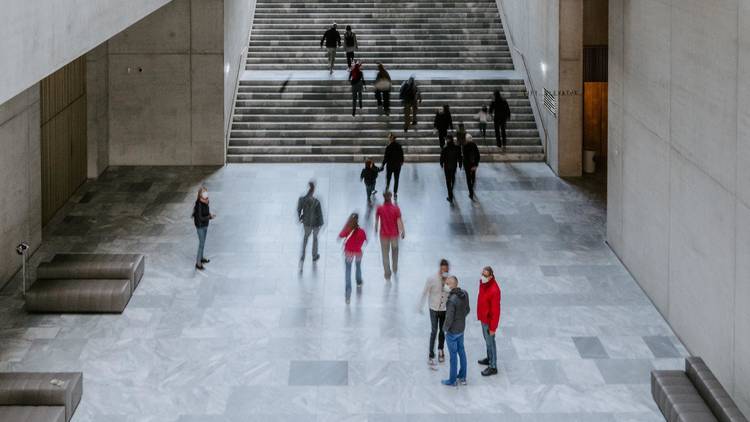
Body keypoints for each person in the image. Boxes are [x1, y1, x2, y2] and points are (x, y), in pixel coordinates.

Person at [420, 259, 451, 368]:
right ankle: (431, 354)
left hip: (444, 309)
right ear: (440, 268)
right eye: (443, 270)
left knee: (442, 331)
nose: (444, 272)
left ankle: (440, 350)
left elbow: (451, 294)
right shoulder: (432, 279)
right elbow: (425, 291)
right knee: (434, 330)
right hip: (433, 308)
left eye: (446, 270)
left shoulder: (450, 280)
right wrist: (420, 305)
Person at [442, 276, 470, 386]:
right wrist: (461, 319)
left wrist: (444, 330)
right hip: (461, 329)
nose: (445, 285)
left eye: (447, 283)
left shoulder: (451, 301)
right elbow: (467, 310)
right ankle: (463, 377)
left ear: (453, 285)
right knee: (462, 352)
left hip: (452, 332)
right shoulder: (465, 293)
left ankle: (452, 380)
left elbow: (449, 319)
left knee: (453, 356)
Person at [477, 266, 501, 376]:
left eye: (485, 275)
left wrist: (493, 328)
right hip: (483, 318)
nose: (483, 276)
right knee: (487, 341)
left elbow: (496, 311)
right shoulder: (483, 283)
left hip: (489, 321)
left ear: (491, 276)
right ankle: (489, 358)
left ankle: (493, 366)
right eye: (482, 274)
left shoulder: (495, 290)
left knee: (491, 342)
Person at [338, 213, 367, 304]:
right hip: (358, 252)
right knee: (358, 267)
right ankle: (358, 281)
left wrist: (347, 225)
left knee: (348, 271)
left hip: (348, 253)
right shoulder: (362, 231)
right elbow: (365, 239)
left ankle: (348, 292)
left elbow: (340, 235)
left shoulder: (348, 229)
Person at [375, 191, 404, 280]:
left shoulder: (380, 208)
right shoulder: (396, 209)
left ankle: (387, 273)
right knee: (395, 251)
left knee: (385, 254)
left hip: (383, 235)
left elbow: (376, 221)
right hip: (394, 235)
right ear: (391, 197)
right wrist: (402, 231)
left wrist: (375, 229)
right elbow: (399, 221)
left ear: (383, 197)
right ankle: (395, 268)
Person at [297, 181, 324, 265]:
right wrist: (321, 223)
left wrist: (300, 217)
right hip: (315, 224)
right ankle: (314, 256)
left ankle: (303, 256)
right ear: (313, 191)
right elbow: (320, 214)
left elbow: (298, 209)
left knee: (305, 238)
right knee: (315, 239)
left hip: (306, 223)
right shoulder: (316, 202)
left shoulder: (302, 200)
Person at [192, 186, 215, 270]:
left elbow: (206, 213)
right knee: (201, 244)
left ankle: (201, 258)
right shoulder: (198, 204)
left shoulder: (206, 201)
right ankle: (198, 263)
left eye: (206, 191)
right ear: (200, 194)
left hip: (205, 225)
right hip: (200, 226)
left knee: (203, 242)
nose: (206, 193)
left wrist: (209, 215)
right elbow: (200, 217)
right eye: (204, 192)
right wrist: (209, 217)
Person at [440, 134, 462, 204]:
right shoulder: (457, 147)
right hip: (453, 166)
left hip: (447, 166)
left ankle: (450, 196)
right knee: (452, 178)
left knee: (448, 181)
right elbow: (460, 156)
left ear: (448, 140)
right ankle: (451, 190)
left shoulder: (445, 147)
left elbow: (442, 157)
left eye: (446, 139)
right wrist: (460, 164)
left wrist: (441, 163)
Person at [381, 133, 404, 198]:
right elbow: (401, 155)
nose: (389, 139)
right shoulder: (399, 146)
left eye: (389, 138)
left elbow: (386, 157)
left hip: (390, 166)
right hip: (397, 166)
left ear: (391, 139)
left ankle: (387, 189)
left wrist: (383, 164)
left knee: (388, 179)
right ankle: (395, 193)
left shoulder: (388, 147)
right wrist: (401, 161)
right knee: (396, 179)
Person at [462, 134, 480, 200]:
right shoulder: (474, 145)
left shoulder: (465, 146)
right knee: (473, 177)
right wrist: (475, 165)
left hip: (467, 166)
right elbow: (478, 155)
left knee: (468, 179)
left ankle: (471, 193)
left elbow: (465, 157)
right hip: (473, 165)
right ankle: (472, 188)